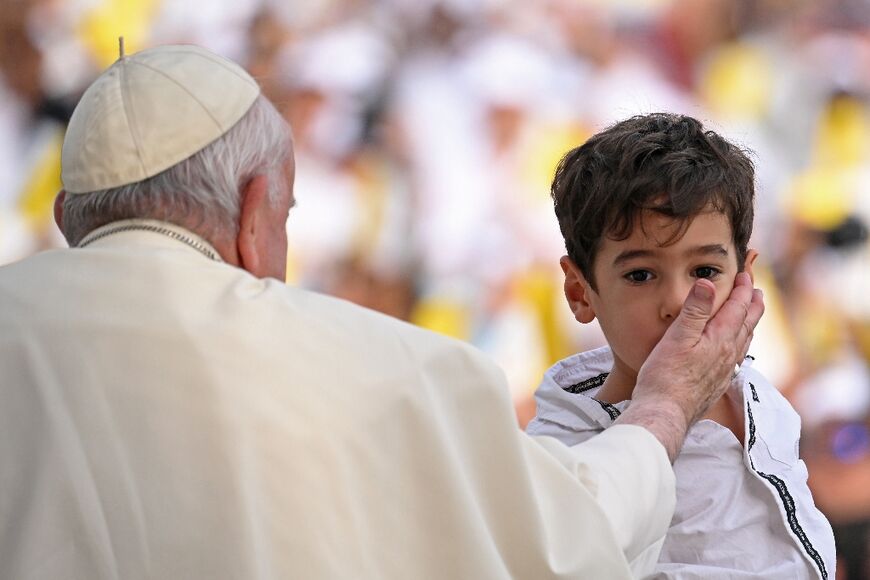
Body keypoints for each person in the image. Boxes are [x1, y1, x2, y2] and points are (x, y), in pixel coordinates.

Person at [0, 45, 763, 579]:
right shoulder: (380, 366)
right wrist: (664, 404)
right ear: (256, 209)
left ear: (69, 216)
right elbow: (563, 542)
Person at [526, 113, 836, 579]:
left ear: (744, 278)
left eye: (705, 272)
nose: (677, 302)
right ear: (580, 292)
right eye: (640, 275)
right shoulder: (573, 455)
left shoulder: (756, 393)